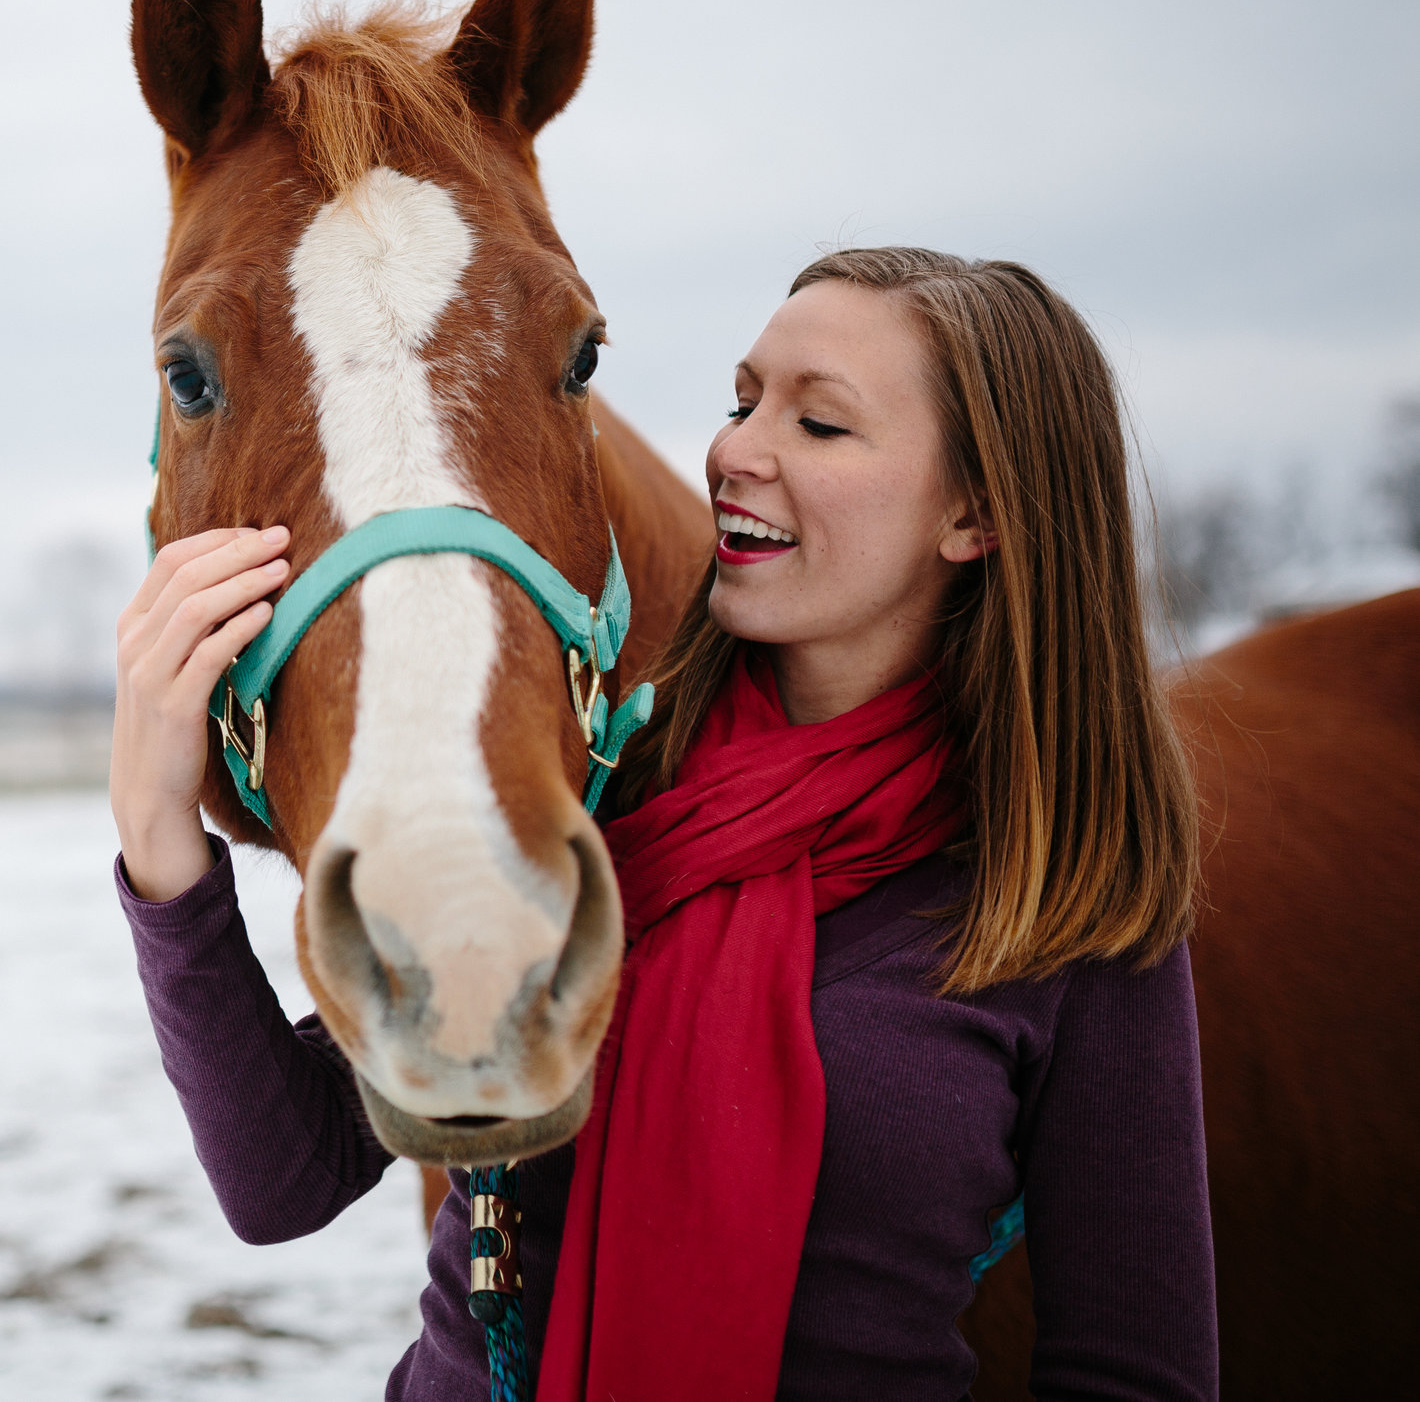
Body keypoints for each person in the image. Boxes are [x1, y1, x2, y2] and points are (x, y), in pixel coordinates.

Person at [108, 247, 1216, 1400]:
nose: (735, 449)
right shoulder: (606, 788)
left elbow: (1132, 1374)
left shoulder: (1069, 896)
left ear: (974, 511)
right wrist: (157, 829)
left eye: (819, 423)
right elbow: (285, 1176)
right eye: (743, 401)